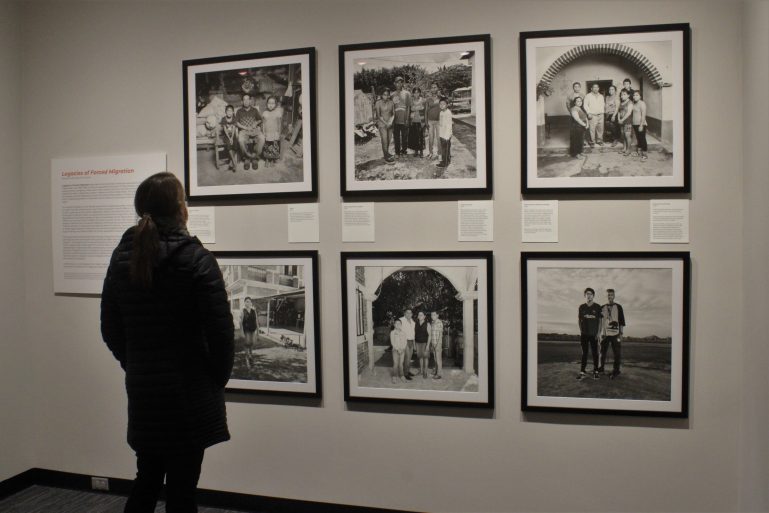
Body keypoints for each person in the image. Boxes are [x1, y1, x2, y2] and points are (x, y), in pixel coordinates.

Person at [100, 172, 234, 513]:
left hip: (145, 390)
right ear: (179, 208)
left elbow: (110, 328)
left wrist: (136, 364)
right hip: (188, 393)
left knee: (146, 479)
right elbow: (220, 333)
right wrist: (214, 379)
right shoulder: (197, 259)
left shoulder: (122, 257)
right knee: (182, 490)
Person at [599, 289, 626, 379]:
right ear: (607, 296)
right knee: (602, 353)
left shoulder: (618, 307)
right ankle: (601, 368)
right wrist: (599, 333)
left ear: (614, 296)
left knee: (617, 353)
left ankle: (616, 370)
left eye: (611, 295)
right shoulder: (602, 307)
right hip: (605, 334)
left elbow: (621, 321)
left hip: (616, 334)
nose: (610, 296)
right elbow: (600, 322)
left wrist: (621, 334)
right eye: (608, 295)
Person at [577, 287, 602, 380]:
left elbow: (600, 321)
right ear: (585, 295)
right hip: (584, 334)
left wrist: (598, 333)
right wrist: (581, 331)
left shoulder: (598, 307)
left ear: (593, 295)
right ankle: (582, 371)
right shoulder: (582, 307)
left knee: (595, 353)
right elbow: (579, 320)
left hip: (594, 334)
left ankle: (596, 371)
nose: (589, 295)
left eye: (590, 294)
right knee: (584, 353)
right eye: (587, 294)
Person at [235, 93, 265, 171]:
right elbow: (236, 123)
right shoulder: (239, 111)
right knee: (241, 140)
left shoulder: (254, 110)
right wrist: (244, 127)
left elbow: (260, 119)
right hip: (244, 130)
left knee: (262, 138)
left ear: (250, 101)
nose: (246, 101)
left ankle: (255, 158)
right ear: (242, 101)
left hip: (254, 130)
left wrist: (255, 124)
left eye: (247, 99)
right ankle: (247, 158)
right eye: (244, 99)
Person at [261, 95, 284, 168]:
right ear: (266, 104)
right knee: (267, 146)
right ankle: (267, 159)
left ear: (275, 104)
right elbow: (263, 124)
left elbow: (279, 124)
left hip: (275, 133)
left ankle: (272, 159)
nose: (270, 105)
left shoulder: (278, 113)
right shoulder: (265, 113)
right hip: (267, 133)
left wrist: (279, 133)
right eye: (269, 103)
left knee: (274, 146)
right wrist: (263, 132)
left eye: (272, 103)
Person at [391, 76, 411, 157]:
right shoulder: (392, 94)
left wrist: (407, 119)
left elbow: (408, 107)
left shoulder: (407, 93)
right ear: (394, 83)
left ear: (403, 83)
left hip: (404, 119)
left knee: (404, 136)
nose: (399, 84)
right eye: (397, 82)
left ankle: (404, 151)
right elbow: (391, 107)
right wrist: (391, 120)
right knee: (396, 137)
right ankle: (397, 152)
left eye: (400, 82)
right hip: (395, 119)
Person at [374, 88, 395, 162]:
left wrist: (390, 122)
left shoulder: (391, 102)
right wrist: (386, 123)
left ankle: (387, 153)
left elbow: (393, 114)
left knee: (388, 140)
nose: (386, 96)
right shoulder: (378, 103)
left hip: (390, 124)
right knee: (384, 140)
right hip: (382, 124)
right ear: (381, 95)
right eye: (384, 95)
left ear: (389, 95)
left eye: (387, 95)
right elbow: (378, 115)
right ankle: (386, 157)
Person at [583, 83, 605, 147]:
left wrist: (602, 112)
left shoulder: (601, 96)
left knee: (600, 129)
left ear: (598, 88)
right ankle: (592, 142)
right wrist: (588, 113)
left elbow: (603, 104)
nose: (596, 89)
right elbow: (585, 105)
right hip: (592, 115)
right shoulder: (588, 96)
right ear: (591, 88)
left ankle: (599, 141)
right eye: (594, 87)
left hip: (601, 115)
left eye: (597, 87)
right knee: (592, 129)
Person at [424, 83, 442, 160]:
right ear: (430, 89)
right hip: (430, 121)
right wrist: (426, 122)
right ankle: (431, 153)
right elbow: (425, 111)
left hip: (439, 121)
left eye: (435, 87)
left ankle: (440, 153)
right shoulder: (428, 99)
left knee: (439, 138)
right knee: (431, 138)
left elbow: (444, 108)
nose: (433, 89)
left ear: (437, 88)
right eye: (432, 87)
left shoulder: (441, 98)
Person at [241, 296, 258, 369]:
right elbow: (240, 323)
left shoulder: (254, 311)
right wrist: (241, 332)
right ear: (245, 303)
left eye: (250, 302)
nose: (248, 303)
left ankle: (251, 356)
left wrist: (258, 331)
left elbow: (256, 321)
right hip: (247, 331)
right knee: (247, 344)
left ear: (251, 303)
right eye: (247, 301)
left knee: (252, 343)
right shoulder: (243, 311)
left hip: (253, 330)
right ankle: (247, 359)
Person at [631, 90, 649, 161]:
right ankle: (638, 153)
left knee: (642, 139)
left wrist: (641, 125)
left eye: (637, 95)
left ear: (640, 96)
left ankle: (645, 155)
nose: (635, 96)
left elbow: (643, 115)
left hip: (641, 124)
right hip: (635, 124)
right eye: (634, 95)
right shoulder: (634, 103)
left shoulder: (642, 103)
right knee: (638, 138)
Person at [616, 89, 634, 156]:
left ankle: (628, 150)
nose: (622, 96)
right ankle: (624, 148)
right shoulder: (621, 102)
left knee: (627, 136)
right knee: (623, 135)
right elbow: (619, 112)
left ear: (628, 95)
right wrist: (619, 119)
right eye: (621, 94)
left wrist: (622, 120)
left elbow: (629, 113)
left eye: (624, 94)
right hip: (621, 122)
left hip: (628, 122)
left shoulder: (630, 103)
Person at [399, 309, 416, 380]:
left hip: (411, 341)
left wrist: (414, 344)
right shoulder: (401, 320)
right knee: (407, 358)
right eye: (407, 313)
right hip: (404, 341)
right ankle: (405, 374)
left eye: (410, 313)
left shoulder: (413, 322)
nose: (409, 314)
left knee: (409, 358)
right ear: (405, 314)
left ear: (412, 314)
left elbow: (413, 334)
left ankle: (407, 371)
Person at [408, 87, 425, 157]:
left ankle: (421, 151)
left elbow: (423, 108)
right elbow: (411, 109)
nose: (416, 94)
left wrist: (415, 107)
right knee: (414, 136)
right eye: (415, 93)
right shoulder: (411, 100)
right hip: (413, 120)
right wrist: (417, 107)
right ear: (413, 93)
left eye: (417, 92)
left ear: (420, 93)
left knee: (421, 136)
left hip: (420, 120)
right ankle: (416, 151)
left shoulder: (423, 100)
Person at [220, 105, 238, 172]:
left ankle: (230, 161)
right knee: (228, 145)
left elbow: (233, 129)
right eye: (228, 111)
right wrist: (229, 138)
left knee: (236, 144)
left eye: (231, 111)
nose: (229, 112)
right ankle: (234, 162)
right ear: (225, 112)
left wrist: (232, 138)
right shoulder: (223, 119)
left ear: (233, 112)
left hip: (233, 135)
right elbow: (225, 130)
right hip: (226, 135)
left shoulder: (234, 118)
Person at [390, 319, 408, 383]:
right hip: (395, 350)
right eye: (396, 323)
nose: (398, 325)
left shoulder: (403, 333)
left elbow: (405, 342)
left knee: (401, 364)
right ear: (394, 325)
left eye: (399, 323)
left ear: (401, 325)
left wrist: (402, 349)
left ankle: (402, 376)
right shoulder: (392, 332)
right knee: (395, 363)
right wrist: (397, 349)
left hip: (402, 350)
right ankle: (394, 376)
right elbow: (392, 342)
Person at [436, 97, 452, 169]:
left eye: (444, 104)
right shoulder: (441, 112)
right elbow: (441, 123)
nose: (442, 105)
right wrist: (440, 134)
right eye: (440, 104)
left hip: (446, 135)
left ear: (447, 104)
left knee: (446, 149)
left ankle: (444, 163)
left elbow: (449, 125)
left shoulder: (448, 113)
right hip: (442, 134)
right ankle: (447, 160)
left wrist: (447, 136)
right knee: (443, 148)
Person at [414, 311, 431, 379]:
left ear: (424, 316)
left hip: (425, 343)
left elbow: (430, 335)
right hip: (418, 343)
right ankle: (421, 371)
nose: (420, 316)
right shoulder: (416, 324)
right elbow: (414, 334)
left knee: (425, 357)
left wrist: (428, 345)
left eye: (421, 315)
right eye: (419, 315)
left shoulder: (427, 324)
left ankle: (425, 372)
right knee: (420, 357)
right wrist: (414, 344)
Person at [430, 311, 444, 379]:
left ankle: (439, 374)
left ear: (437, 315)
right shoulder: (432, 323)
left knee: (438, 359)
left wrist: (438, 344)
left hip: (438, 343)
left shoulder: (439, 322)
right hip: (433, 343)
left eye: (434, 315)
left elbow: (441, 334)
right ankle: (436, 371)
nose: (432, 316)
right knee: (435, 359)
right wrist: (431, 344)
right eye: (431, 315)